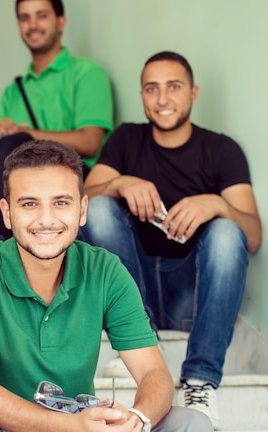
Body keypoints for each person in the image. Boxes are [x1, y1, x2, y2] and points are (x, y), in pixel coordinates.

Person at [0, 140, 211, 432]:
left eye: (61, 203)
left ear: (82, 209)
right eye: (30, 204)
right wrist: (70, 425)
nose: (46, 220)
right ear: (7, 213)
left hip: (83, 425)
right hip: (10, 426)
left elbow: (153, 373)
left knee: (191, 422)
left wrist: (137, 419)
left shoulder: (104, 270)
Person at [79, 51, 262, 430]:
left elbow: (254, 236)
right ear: (142, 95)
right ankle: (142, 344)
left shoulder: (221, 150)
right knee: (98, 207)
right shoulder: (127, 139)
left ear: (193, 93)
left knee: (230, 229)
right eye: (152, 88)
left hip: (190, 297)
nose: (162, 99)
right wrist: (119, 183)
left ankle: (199, 379)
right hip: (133, 289)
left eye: (173, 87)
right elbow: (80, 206)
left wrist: (218, 205)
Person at [0, 0, 114, 238]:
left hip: (71, 175)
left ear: (60, 22)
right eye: (24, 18)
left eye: (41, 16)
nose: (32, 25)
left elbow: (90, 141)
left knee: (11, 144)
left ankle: (4, 247)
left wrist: (27, 134)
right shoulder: (14, 90)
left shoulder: (86, 72)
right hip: (25, 182)